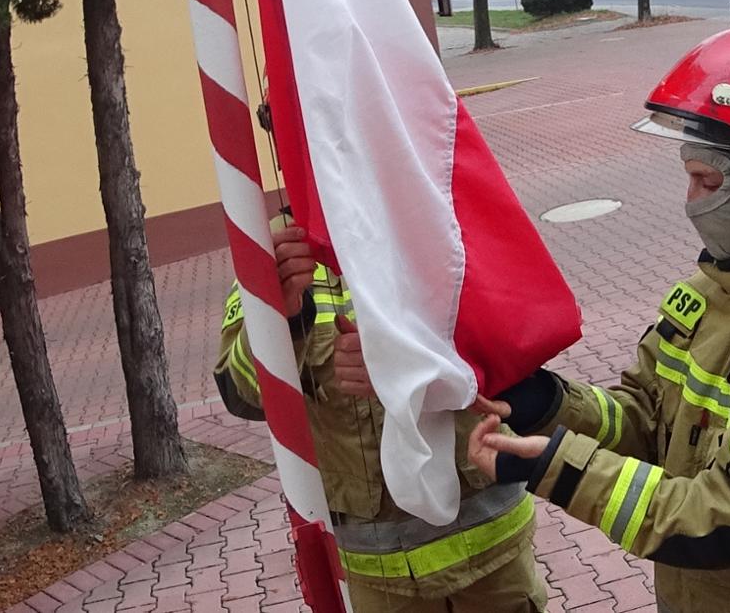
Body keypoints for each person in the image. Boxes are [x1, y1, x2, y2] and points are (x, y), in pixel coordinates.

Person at [463, 25, 730, 612]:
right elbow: (644, 423)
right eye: (689, 177)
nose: (692, 202)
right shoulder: (708, 293)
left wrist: (556, 469)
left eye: (708, 181)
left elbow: (725, 521)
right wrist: (545, 401)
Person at [215, 217, 548, 613]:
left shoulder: (427, 206)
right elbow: (242, 395)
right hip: (380, 573)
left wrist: (409, 364)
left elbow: (514, 342)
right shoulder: (279, 251)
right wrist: (284, 320)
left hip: (491, 550)